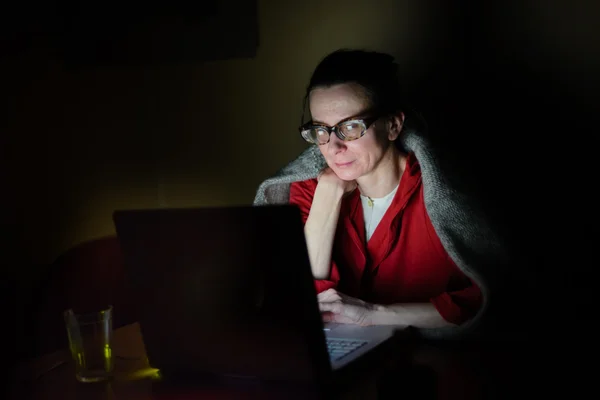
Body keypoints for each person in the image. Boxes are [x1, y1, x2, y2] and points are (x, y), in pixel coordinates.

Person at [254, 49, 508, 338]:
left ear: (393, 125)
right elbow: (298, 298)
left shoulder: (440, 193)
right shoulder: (307, 189)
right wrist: (327, 194)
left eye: (350, 127)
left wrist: (376, 315)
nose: (334, 147)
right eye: (321, 130)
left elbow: (486, 298)